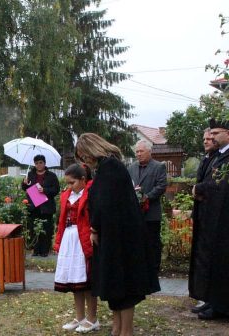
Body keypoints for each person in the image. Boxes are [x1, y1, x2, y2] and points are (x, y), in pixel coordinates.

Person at [75, 133, 160, 336]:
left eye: (84, 156)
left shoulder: (110, 168)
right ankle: (117, 329)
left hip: (121, 238)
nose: (84, 161)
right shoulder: (108, 167)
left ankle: (125, 331)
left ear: (91, 150)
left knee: (124, 284)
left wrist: (94, 228)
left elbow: (105, 203)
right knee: (115, 284)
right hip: (115, 235)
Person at [54, 164, 99, 333]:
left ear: (82, 180)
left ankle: (92, 318)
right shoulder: (67, 195)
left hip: (83, 238)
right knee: (74, 280)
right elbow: (61, 220)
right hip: (69, 238)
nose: (68, 186)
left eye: (72, 182)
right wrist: (59, 241)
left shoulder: (90, 195)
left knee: (86, 281)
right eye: (67, 183)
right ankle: (80, 317)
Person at [191, 118, 229, 320]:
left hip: (223, 218)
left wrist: (201, 189)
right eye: (210, 134)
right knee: (215, 260)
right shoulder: (218, 156)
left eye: (215, 133)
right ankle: (214, 301)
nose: (212, 138)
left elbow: (221, 185)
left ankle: (220, 305)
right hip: (213, 216)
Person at [188, 128, 218, 314]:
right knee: (203, 258)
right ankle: (207, 298)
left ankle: (213, 300)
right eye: (204, 138)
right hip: (203, 214)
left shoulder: (221, 159)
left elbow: (218, 185)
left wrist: (199, 189)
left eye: (210, 138)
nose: (206, 141)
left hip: (214, 217)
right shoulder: (207, 158)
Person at [128, 140, 167, 274]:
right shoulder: (131, 167)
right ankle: (139, 269)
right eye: (137, 152)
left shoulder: (158, 166)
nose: (138, 154)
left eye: (141, 151)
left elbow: (161, 186)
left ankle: (154, 270)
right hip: (134, 213)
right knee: (137, 242)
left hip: (151, 213)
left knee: (152, 242)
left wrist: (147, 197)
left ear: (149, 151)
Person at [22, 155, 60, 257]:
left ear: (44, 163)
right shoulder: (30, 174)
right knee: (34, 228)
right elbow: (25, 188)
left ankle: (44, 250)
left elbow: (56, 189)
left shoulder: (51, 176)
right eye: (37, 163)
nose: (39, 165)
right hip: (33, 206)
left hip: (46, 207)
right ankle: (36, 250)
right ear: (34, 164)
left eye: (41, 162)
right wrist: (24, 183)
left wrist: (45, 190)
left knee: (46, 229)